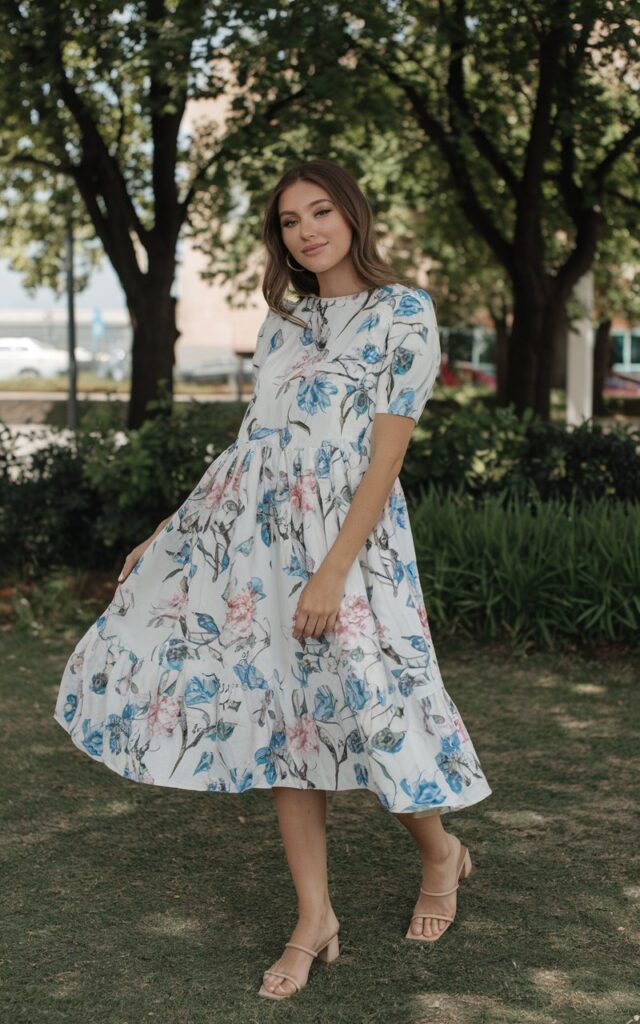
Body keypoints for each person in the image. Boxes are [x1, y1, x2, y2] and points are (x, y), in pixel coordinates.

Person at [53, 158, 492, 1001]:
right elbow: (252, 444)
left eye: (319, 212)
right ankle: (313, 916)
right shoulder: (284, 321)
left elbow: (385, 456)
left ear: (352, 214)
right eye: (290, 221)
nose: (307, 231)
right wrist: (166, 532)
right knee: (286, 719)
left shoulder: (404, 312)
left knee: (375, 708)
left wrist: (332, 573)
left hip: (351, 549)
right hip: (259, 542)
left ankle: (441, 854)